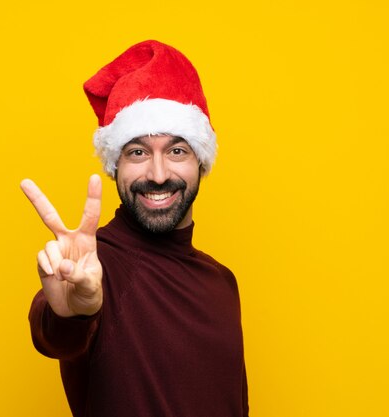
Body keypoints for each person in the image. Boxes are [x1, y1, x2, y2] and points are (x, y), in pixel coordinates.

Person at [21, 40, 248, 417]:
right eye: (137, 152)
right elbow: (56, 336)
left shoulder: (222, 282)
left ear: (201, 163)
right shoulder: (96, 268)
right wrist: (74, 313)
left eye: (177, 151)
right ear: (114, 166)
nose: (158, 175)